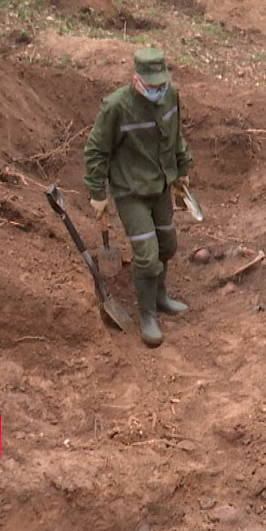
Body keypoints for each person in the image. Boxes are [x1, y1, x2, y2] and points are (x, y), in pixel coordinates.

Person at [84, 47, 192, 348]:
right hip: (131, 191)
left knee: (167, 246)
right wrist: (97, 192)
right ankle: (147, 316)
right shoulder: (116, 107)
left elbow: (176, 135)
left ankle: (160, 298)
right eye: (153, 86)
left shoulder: (170, 96)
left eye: (162, 84)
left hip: (161, 185)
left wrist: (183, 168)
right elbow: (96, 150)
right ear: (137, 80)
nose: (159, 91)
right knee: (146, 256)